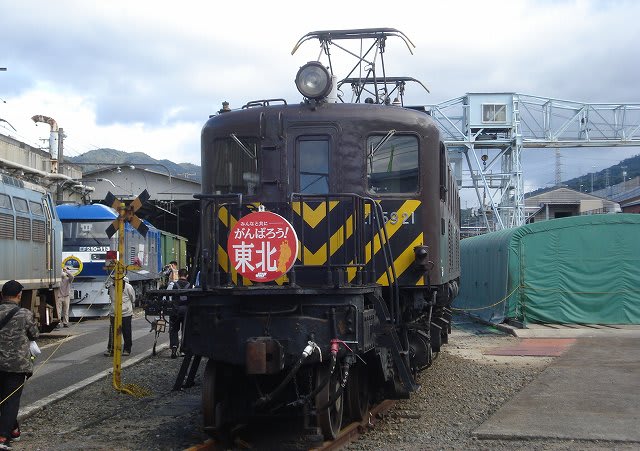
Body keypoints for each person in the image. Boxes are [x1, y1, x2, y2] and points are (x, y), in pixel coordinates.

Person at [0, 280, 38, 449]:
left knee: (3, 398)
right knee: (11, 400)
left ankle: (13, 430)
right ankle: (3, 437)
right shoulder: (24, 314)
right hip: (16, 365)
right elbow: (35, 334)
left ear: (2, 295)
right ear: (19, 295)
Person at [104, 276, 135, 357]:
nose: (115, 281)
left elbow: (133, 298)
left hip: (126, 313)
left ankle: (127, 349)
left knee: (126, 331)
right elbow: (111, 298)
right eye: (114, 279)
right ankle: (112, 349)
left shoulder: (128, 287)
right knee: (113, 331)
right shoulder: (111, 287)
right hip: (114, 312)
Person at [168, 268, 191, 358]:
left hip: (175, 310)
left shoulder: (173, 285)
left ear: (178, 275)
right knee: (185, 330)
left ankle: (174, 348)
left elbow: (168, 296)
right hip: (186, 310)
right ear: (187, 276)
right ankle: (183, 350)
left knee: (173, 329)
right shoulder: (190, 285)